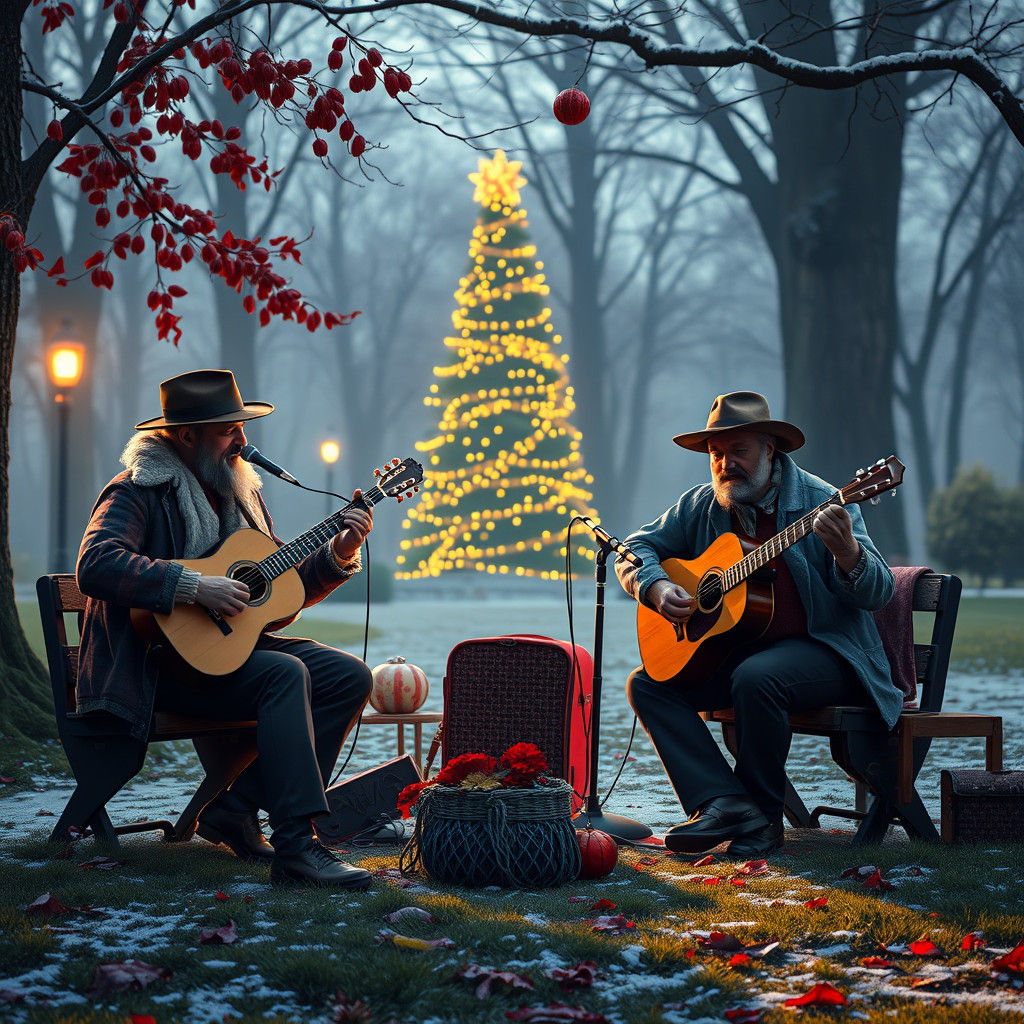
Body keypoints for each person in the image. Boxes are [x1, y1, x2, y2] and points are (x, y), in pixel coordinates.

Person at [75, 369, 374, 888]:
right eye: (227, 430)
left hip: (224, 659)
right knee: (284, 675)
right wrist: (191, 586)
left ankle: (236, 809)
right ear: (186, 435)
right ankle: (296, 846)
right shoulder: (137, 490)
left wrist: (339, 552)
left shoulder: (239, 492)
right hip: (152, 669)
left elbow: (277, 591)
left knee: (348, 675)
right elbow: (96, 564)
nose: (241, 440)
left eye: (241, 427)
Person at [615, 391, 896, 858]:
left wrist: (848, 553)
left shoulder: (823, 500)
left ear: (769, 449)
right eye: (716, 453)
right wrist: (657, 587)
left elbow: (879, 592)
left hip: (828, 652)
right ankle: (723, 802)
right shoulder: (702, 505)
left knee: (757, 676)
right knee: (647, 684)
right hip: (742, 653)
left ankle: (763, 822)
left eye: (739, 450)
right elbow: (632, 548)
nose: (726, 464)